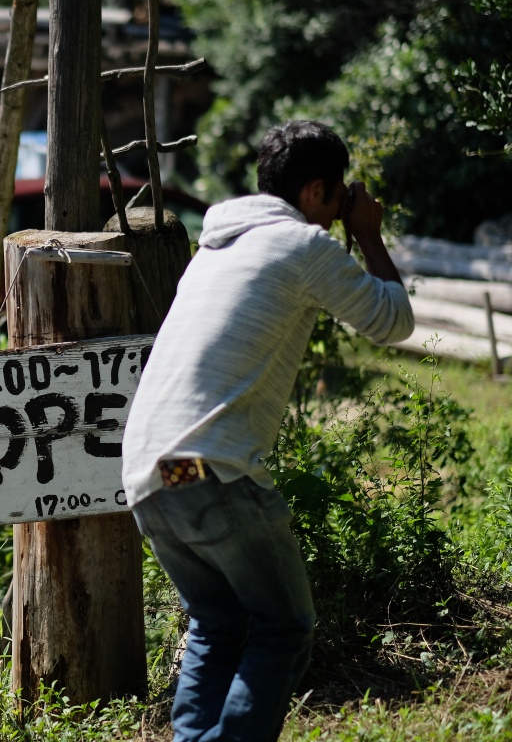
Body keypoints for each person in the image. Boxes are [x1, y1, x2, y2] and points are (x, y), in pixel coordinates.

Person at [120, 120, 414, 742]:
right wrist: (368, 233)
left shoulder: (217, 246)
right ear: (314, 192)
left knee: (217, 625)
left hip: (154, 473)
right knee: (282, 628)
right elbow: (392, 322)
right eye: (337, 198)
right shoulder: (302, 246)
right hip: (210, 470)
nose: (338, 214)